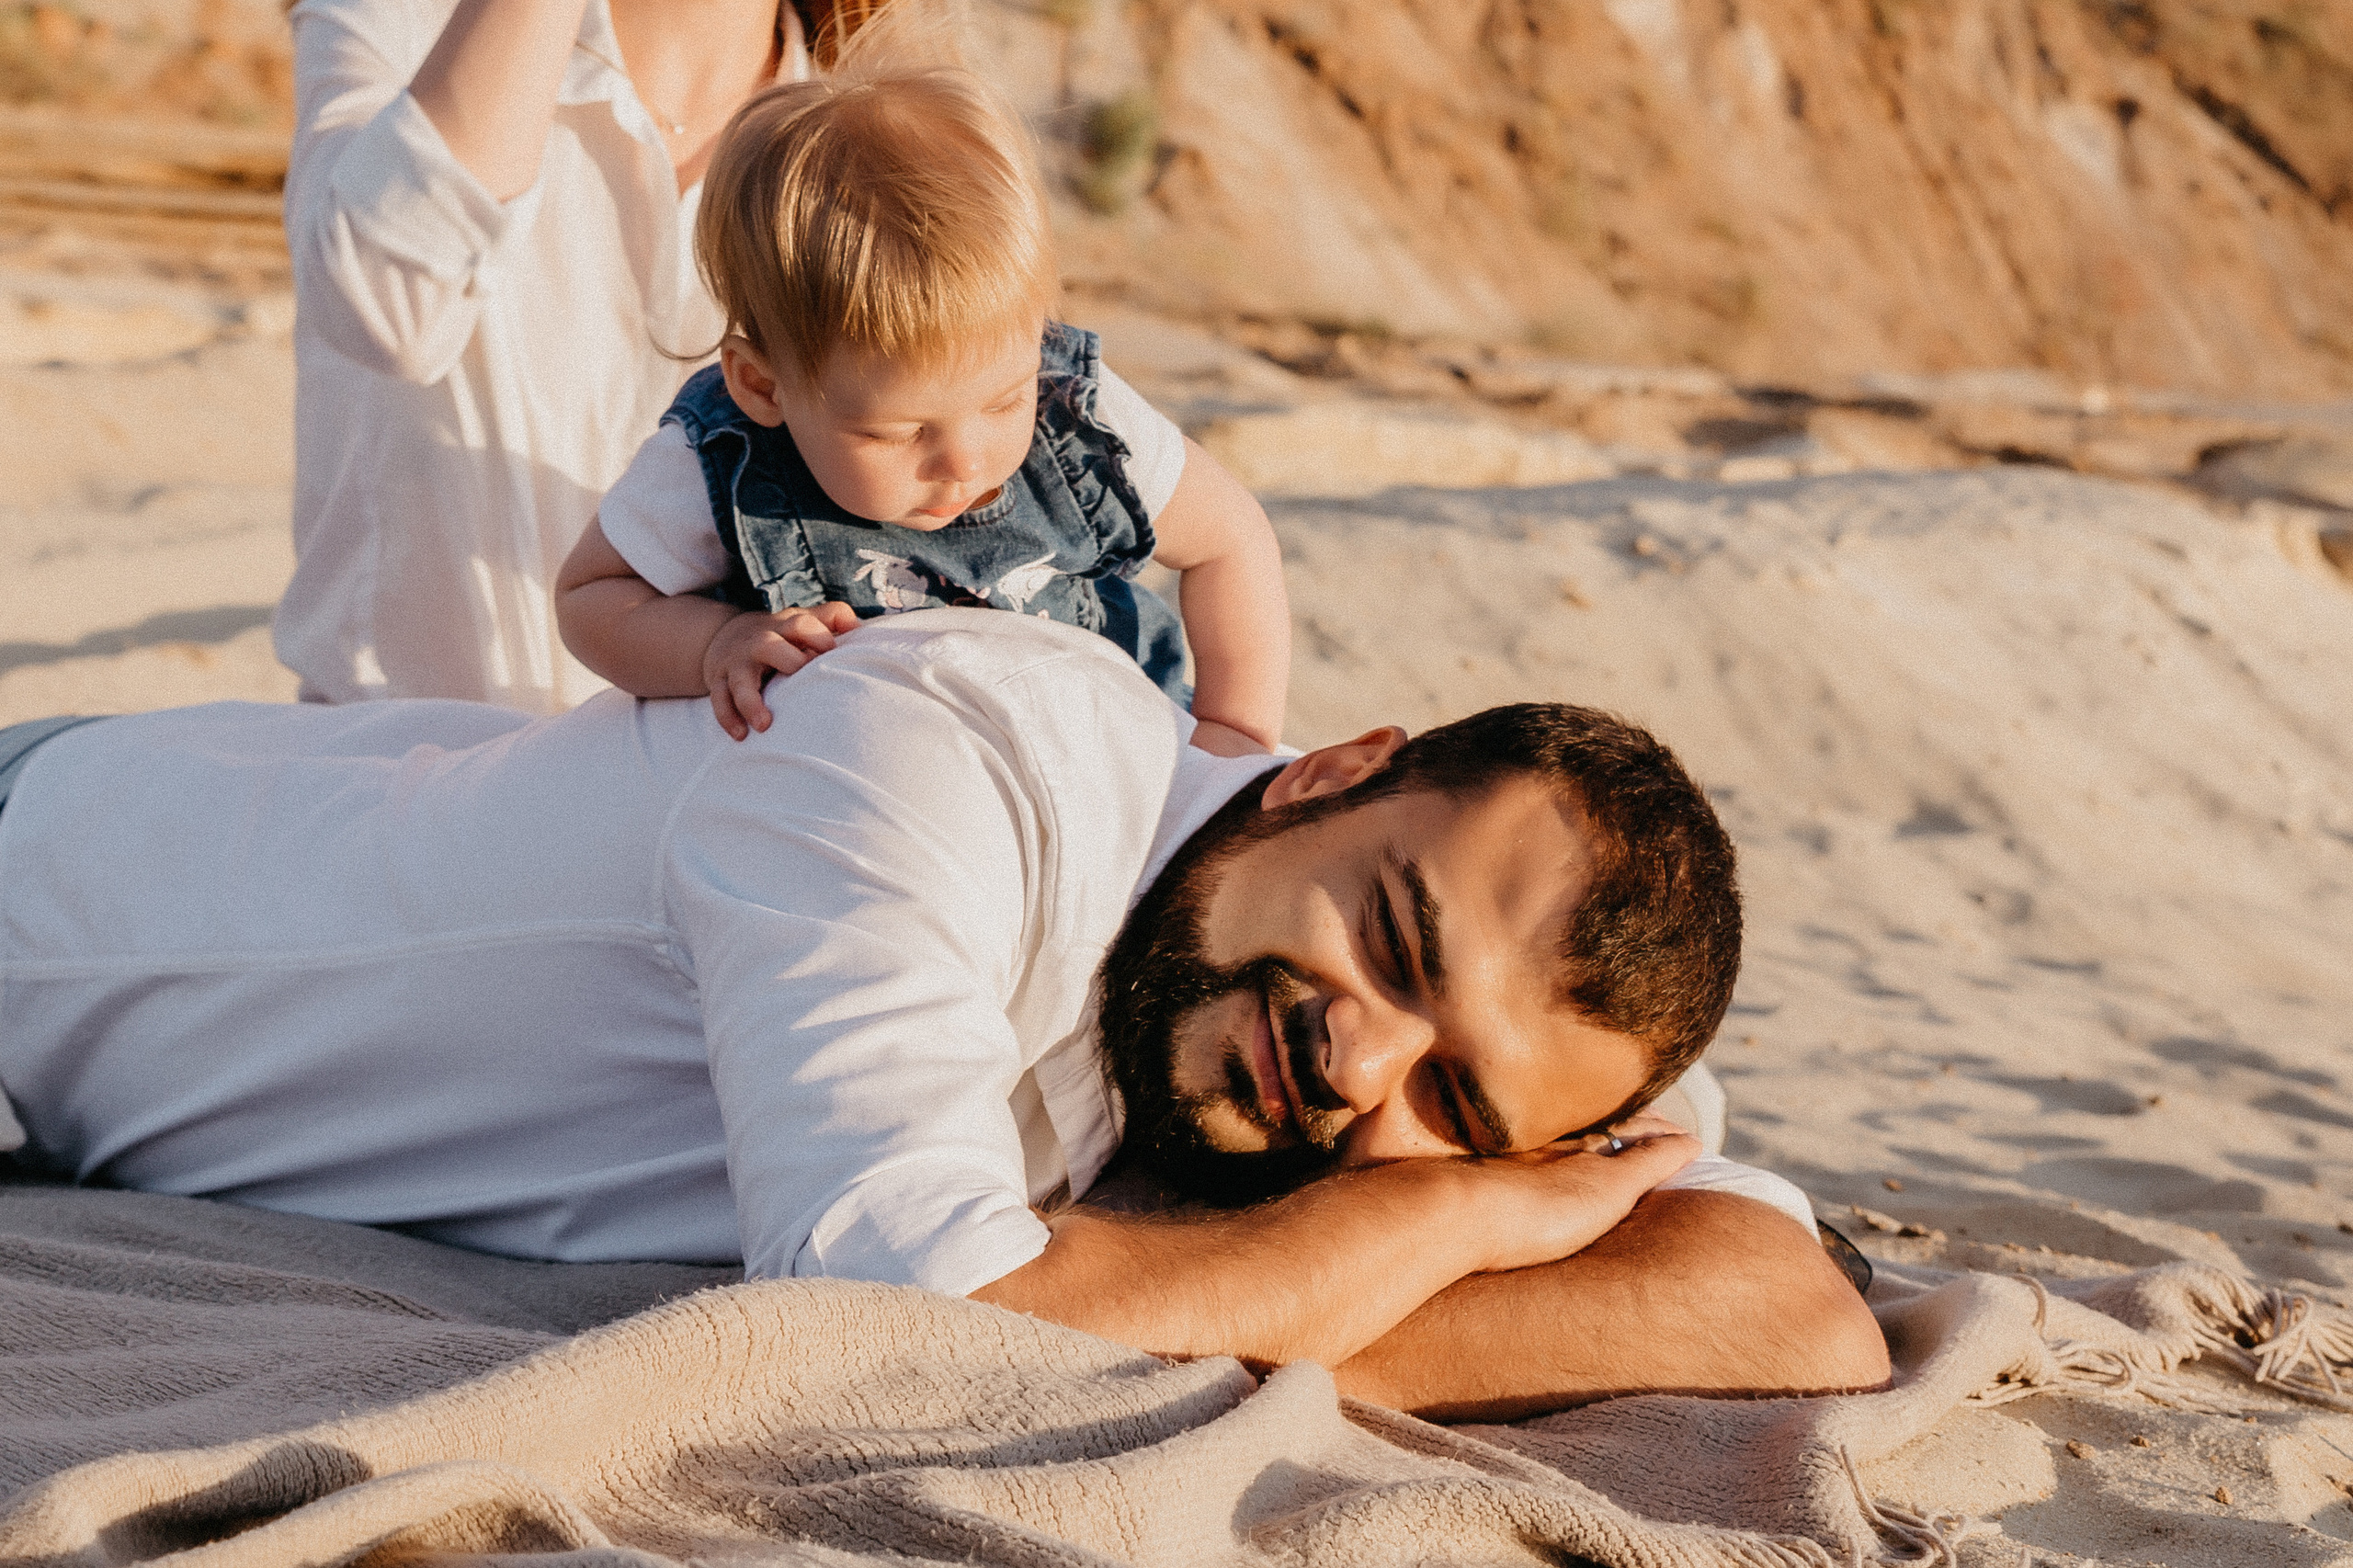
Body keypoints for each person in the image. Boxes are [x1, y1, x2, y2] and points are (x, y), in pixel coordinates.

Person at [0, 612, 1888, 1416]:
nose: (1362, 1058)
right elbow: (912, 1325)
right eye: (1390, 938)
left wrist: (1270, 1289)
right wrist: (1426, 1224)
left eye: (1457, 1103)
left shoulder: (1486, 1023)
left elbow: (1787, 1306)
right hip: (50, 894)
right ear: (1332, 769)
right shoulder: (949, 759)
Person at [555, 59, 1287, 751]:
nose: (963, 461)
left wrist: (1233, 734)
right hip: (882, 781)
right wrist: (715, 642)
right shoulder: (725, 456)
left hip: (1119, 753)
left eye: (1005, 402)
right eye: (896, 432)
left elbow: (1230, 539)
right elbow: (592, 597)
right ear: (764, 387)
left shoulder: (1077, 414)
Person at [276, 0, 881, 712]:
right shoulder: (405, 22)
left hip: (711, 762)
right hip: (403, 748)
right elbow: (389, 307)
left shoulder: (877, 113)